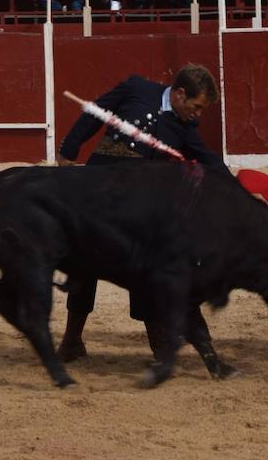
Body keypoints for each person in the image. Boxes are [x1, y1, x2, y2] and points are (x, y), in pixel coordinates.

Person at [53, 63, 222, 362]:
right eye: (196, 106)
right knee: (83, 263)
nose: (198, 115)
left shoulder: (186, 129)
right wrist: (69, 149)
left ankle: (157, 346)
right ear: (180, 94)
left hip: (137, 207)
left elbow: (208, 160)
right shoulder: (136, 88)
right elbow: (96, 113)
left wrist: (238, 189)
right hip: (97, 191)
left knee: (143, 265)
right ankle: (72, 340)